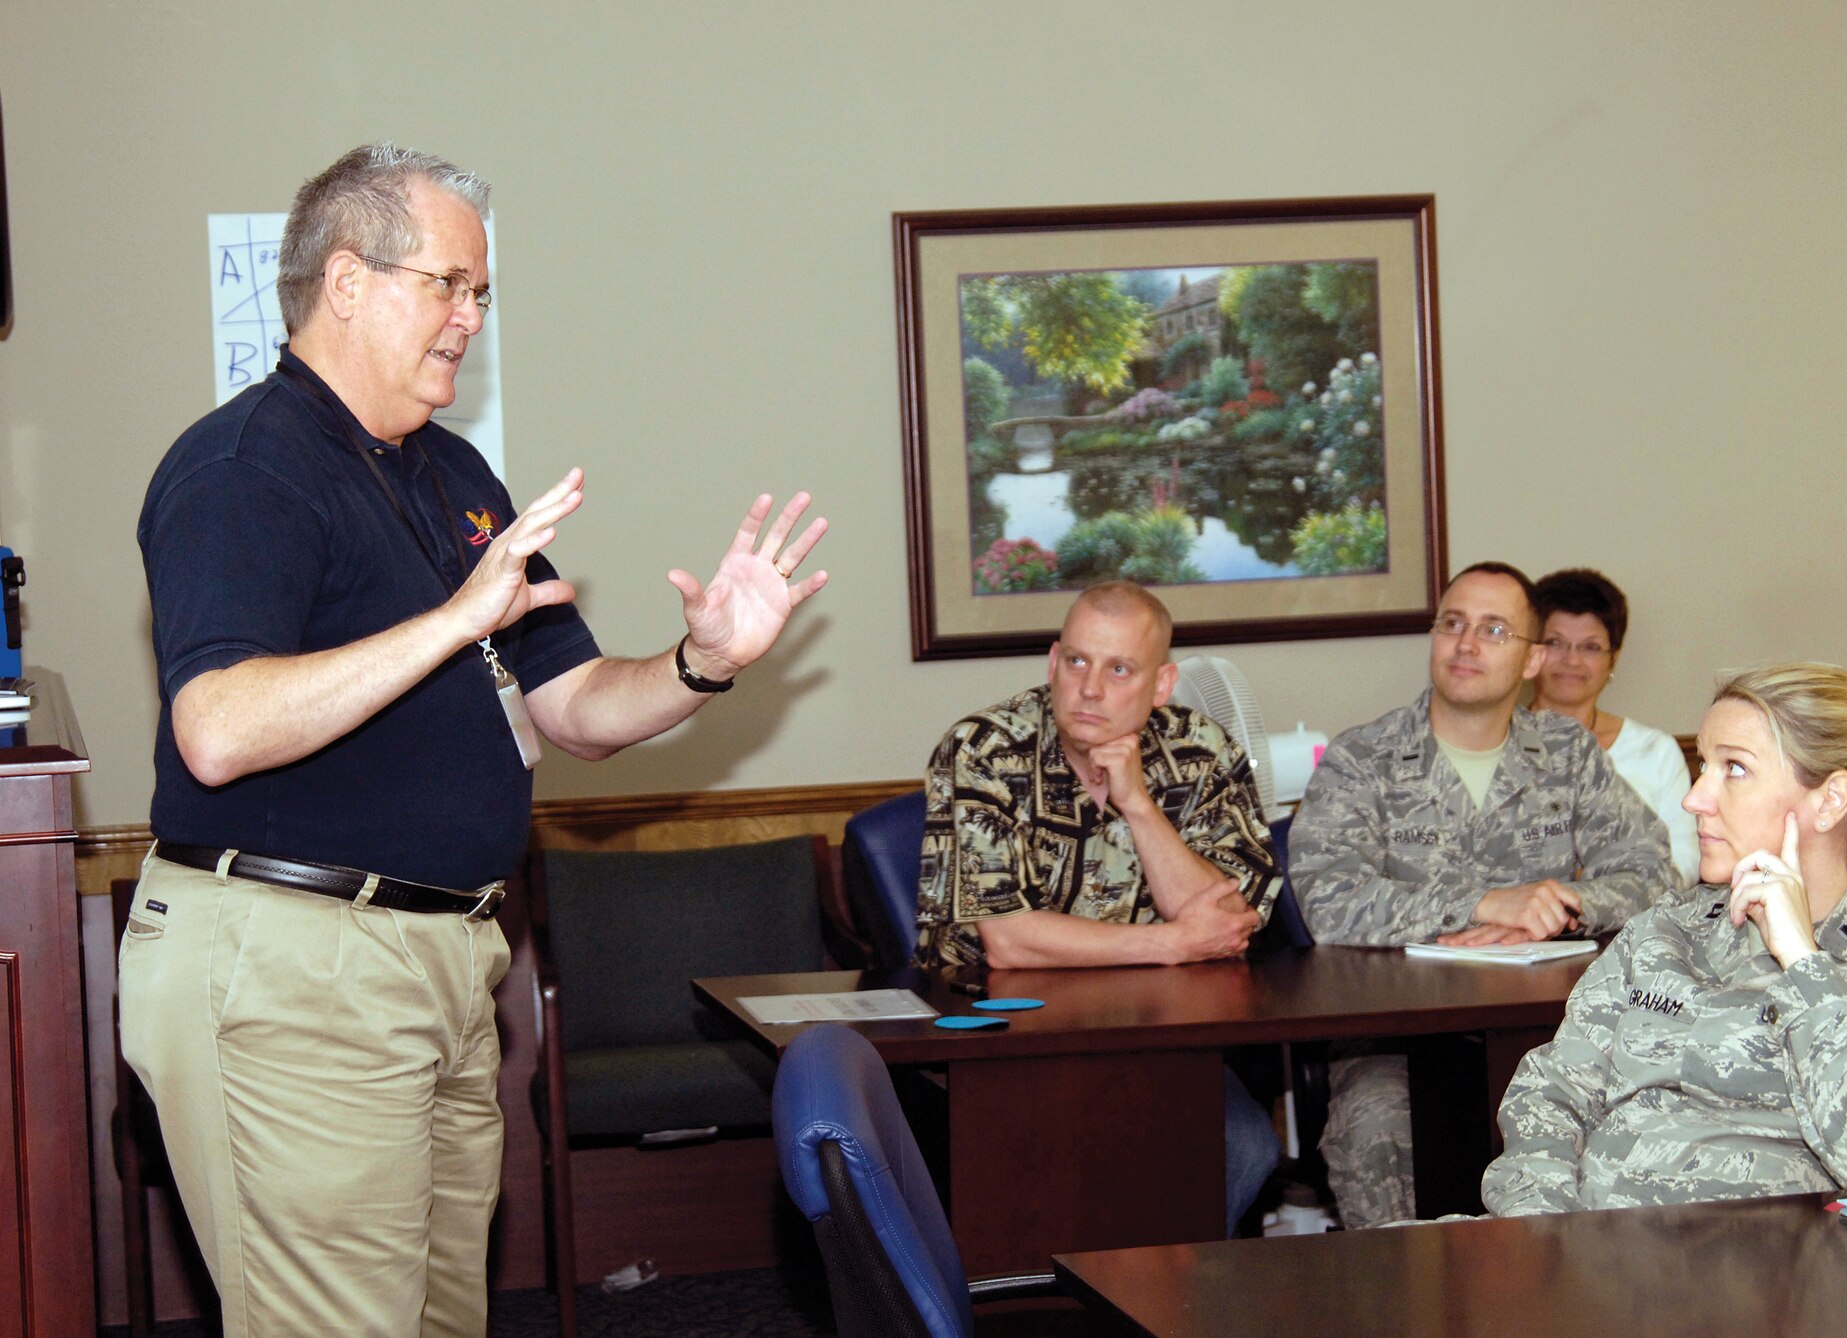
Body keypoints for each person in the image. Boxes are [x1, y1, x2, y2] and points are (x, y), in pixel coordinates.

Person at [124, 143, 829, 1337]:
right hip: (292, 965)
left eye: (482, 292)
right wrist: (454, 620)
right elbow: (218, 728)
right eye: (447, 284)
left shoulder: (454, 475)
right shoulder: (244, 467)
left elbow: (574, 709)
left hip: (446, 962)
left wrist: (705, 660)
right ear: (347, 282)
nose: (471, 316)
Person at [1484, 661, 1847, 1215]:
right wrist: (1546, 1232)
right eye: (1704, 765)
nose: (1694, 798)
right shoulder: (1670, 927)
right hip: (1584, 1237)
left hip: (1765, 1257)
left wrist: (1804, 962)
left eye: (1734, 768)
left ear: (1830, 801)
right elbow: (1550, 1095)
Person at [1287, 561, 1675, 1227]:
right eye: (1453, 624)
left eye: (1494, 630)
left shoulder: (1568, 754)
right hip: (1394, 1042)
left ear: (1533, 659)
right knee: (1376, 1131)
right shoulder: (1363, 758)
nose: (1466, 644)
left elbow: (1653, 875)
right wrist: (1481, 903)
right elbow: (1329, 899)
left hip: (1555, 1033)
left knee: (1631, 1127)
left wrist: (1556, 905)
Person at [914, 580, 1282, 1233]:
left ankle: (1177, 1290)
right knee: (1071, 1156)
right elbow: (1010, 941)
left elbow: (1226, 922)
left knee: (1243, 1146)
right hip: (1001, 1043)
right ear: (1053, 661)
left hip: (1157, 1037)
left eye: (1119, 670)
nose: (1089, 689)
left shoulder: (1202, 751)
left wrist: (1139, 805)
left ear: (1161, 684)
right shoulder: (984, 749)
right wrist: (1171, 943)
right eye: (1077, 661)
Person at [1529, 568, 1699, 886]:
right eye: (1555, 643)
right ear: (1530, 653)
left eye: (1591, 647)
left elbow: (1685, 861)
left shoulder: (1656, 750)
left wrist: (1605, 886)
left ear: (1613, 659)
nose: (1572, 660)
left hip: (1633, 914)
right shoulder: (1495, 742)